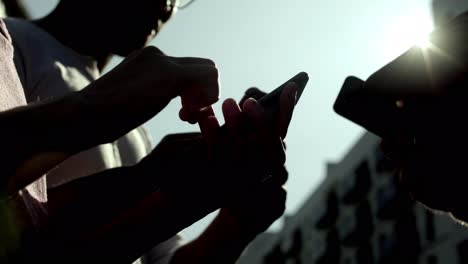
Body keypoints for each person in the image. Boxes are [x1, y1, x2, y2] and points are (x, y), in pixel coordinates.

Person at [4, 0, 297, 263]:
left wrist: (234, 223)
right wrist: (152, 176)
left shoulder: (139, 132)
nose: (168, 5)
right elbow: (22, 220)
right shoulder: (12, 39)